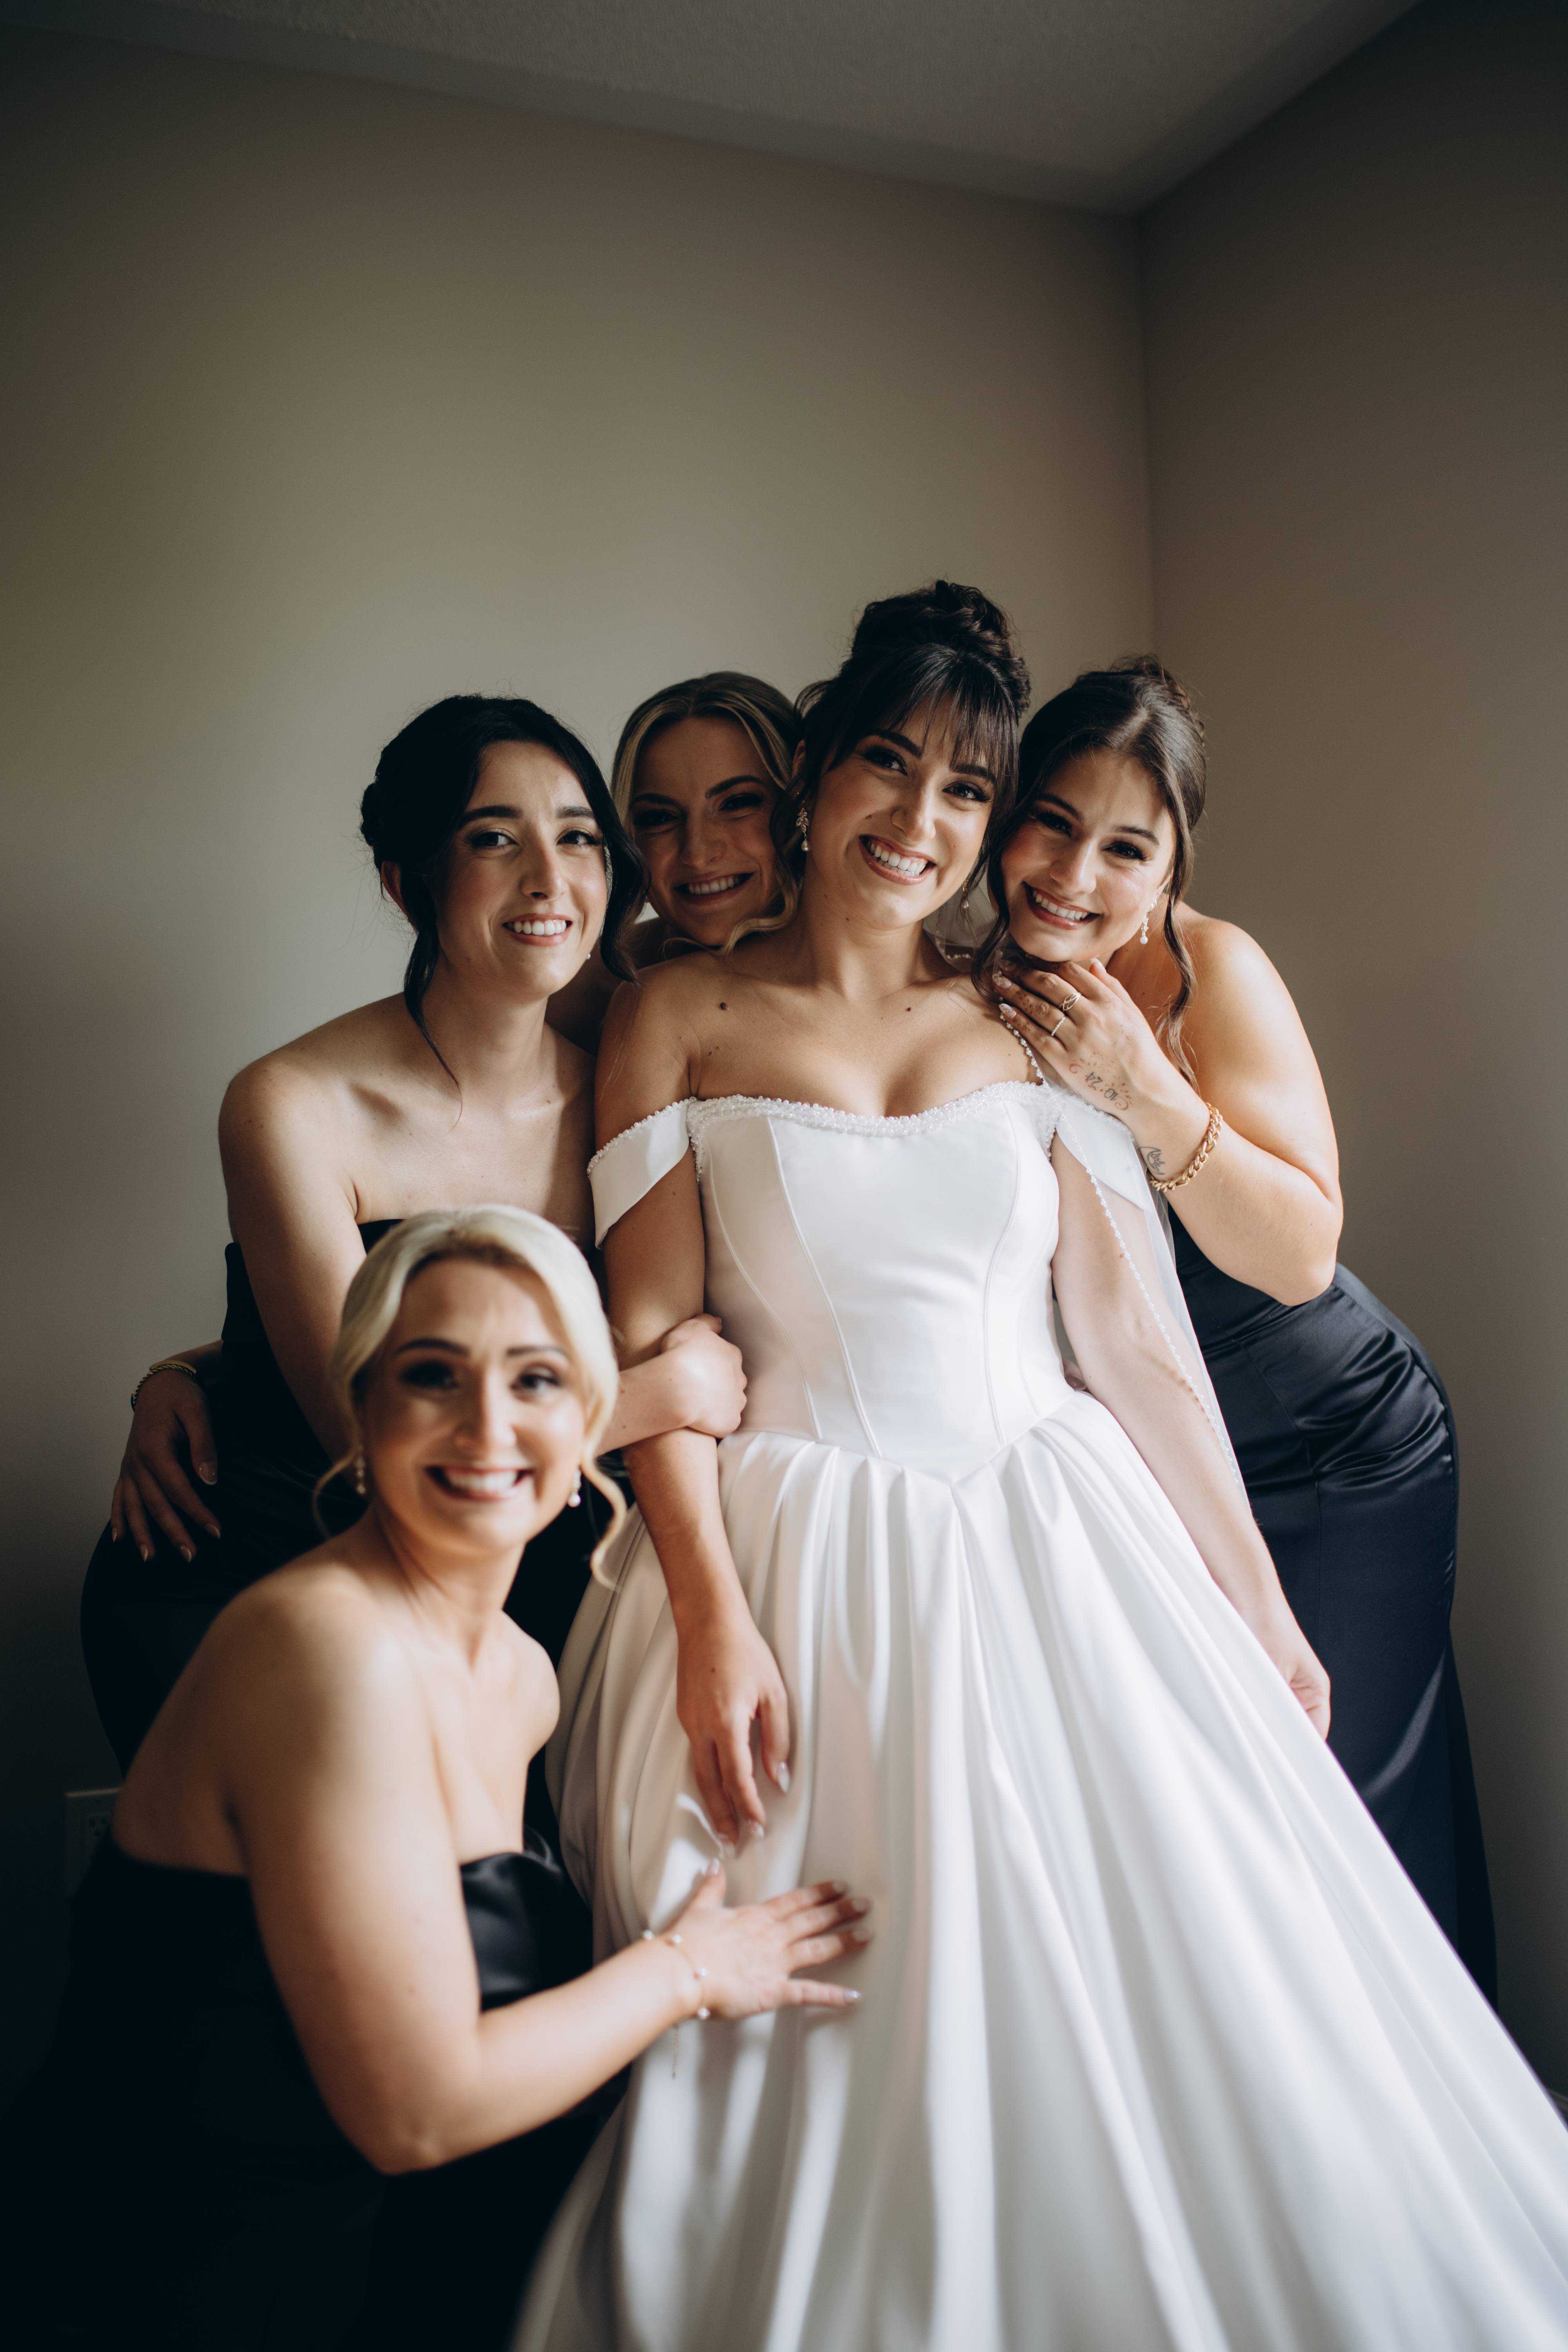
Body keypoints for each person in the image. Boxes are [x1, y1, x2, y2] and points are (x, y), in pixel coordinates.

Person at [516, 584, 1568, 2351]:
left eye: (963, 789)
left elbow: (1134, 1345)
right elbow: (660, 1355)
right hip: (794, 1546)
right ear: (815, 769)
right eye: (885, 763)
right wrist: (707, 1614)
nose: (917, 820)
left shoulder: (1026, 1008)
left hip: (1053, 1513)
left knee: (1206, 1965)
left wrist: (1254, 1604)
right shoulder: (675, 1014)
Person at [4, 1210, 867, 2351]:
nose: (488, 1425)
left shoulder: (521, 1672)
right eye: (432, 1375)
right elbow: (414, 2109)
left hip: (378, 2265)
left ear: (590, 1418)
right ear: (360, 1409)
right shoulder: (324, 1649)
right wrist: (691, 1969)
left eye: (537, 1378)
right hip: (177, 2279)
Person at [81, 695, 747, 1771]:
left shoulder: (624, 1093)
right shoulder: (292, 1105)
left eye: (578, 836)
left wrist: (182, 1365)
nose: (548, 877)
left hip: (513, 1578)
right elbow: (367, 1437)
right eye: (494, 838)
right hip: (263, 1573)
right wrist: (663, 1395)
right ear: (407, 881)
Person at [981, 658, 1495, 1992]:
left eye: (1125, 848)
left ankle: (1412, 2098)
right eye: (1051, 822)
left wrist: (1143, 1090)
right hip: (1163, 1466)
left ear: (1172, 868)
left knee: (1342, 1812)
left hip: (1337, 1443)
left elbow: (1303, 1253)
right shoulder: (965, 975)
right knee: (1211, 1835)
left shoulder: (1213, 970)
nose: (1073, 874)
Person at [546, 670, 799, 1049]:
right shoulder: (575, 993)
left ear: (802, 803)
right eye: (659, 817)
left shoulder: (877, 976)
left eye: (737, 803)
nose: (697, 853)